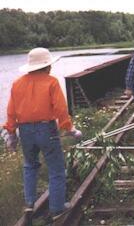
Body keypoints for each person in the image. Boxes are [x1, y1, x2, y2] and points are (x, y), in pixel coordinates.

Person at [2, 47, 82, 221]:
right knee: (57, 169)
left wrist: (11, 133)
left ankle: (29, 204)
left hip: (25, 131)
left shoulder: (17, 83)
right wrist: (70, 128)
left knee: (30, 166)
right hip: (46, 129)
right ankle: (57, 208)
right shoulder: (51, 82)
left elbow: (11, 111)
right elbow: (60, 108)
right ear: (46, 66)